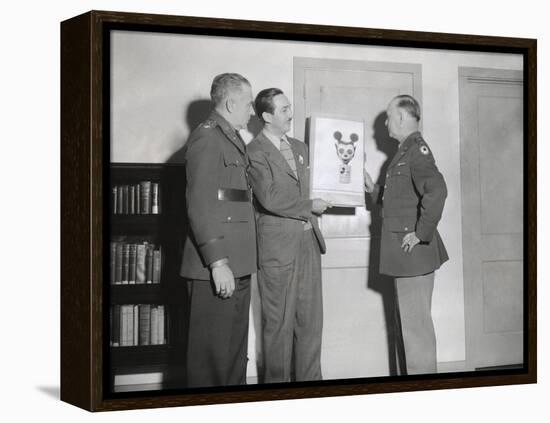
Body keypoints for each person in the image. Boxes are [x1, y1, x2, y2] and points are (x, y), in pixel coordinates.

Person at [247, 88, 331, 383]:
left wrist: (348, 174)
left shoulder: (300, 147)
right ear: (267, 116)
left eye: (289, 107)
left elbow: (322, 180)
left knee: (311, 323)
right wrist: (310, 206)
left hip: (308, 242)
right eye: (283, 110)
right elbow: (269, 198)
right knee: (278, 326)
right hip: (277, 250)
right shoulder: (254, 152)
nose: (290, 114)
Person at [180, 73, 257, 387]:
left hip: (236, 263)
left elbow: (232, 201)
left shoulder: (231, 138)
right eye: (249, 104)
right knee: (211, 362)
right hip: (218, 266)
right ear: (231, 102)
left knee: (231, 357)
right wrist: (218, 262)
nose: (251, 111)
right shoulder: (208, 137)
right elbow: (200, 204)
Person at [364, 94, 449, 375]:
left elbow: (437, 191)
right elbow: (399, 201)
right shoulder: (403, 151)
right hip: (405, 257)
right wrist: (372, 190)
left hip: (413, 256)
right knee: (409, 332)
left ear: (401, 117)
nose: (386, 122)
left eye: (389, 116)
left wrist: (420, 233)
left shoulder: (416, 150)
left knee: (417, 335)